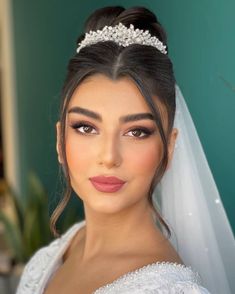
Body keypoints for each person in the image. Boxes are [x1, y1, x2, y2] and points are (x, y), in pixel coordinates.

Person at [16, 5, 235, 294]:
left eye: (136, 132)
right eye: (85, 127)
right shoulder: (51, 257)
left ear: (168, 148)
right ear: (60, 140)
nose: (109, 157)